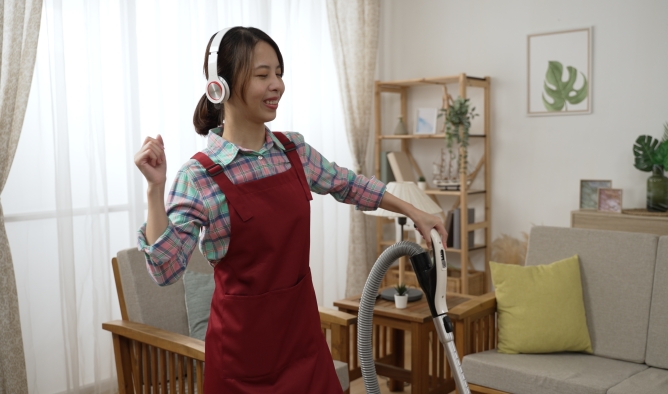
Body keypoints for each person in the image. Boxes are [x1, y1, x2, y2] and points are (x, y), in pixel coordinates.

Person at [134, 26, 447, 393]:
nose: (277, 85)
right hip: (241, 358)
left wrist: (415, 212)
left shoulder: (292, 151)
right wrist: (155, 189)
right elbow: (165, 269)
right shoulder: (199, 176)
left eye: (279, 73)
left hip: (302, 342)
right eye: (262, 75)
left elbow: (349, 184)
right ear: (220, 85)